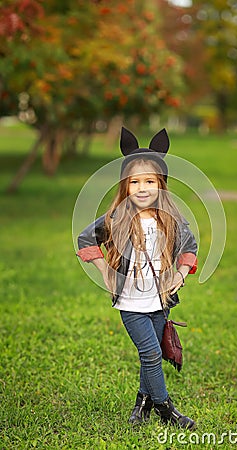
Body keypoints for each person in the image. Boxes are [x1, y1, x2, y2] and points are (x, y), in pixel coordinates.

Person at [77, 127, 198, 429]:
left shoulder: (171, 218)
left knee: (150, 355)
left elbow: (190, 246)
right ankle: (166, 409)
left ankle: (142, 403)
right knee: (151, 352)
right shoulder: (117, 217)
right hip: (130, 300)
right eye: (135, 182)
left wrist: (181, 274)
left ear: (161, 184)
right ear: (125, 185)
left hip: (160, 300)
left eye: (149, 181)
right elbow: (85, 238)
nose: (142, 188)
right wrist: (104, 269)